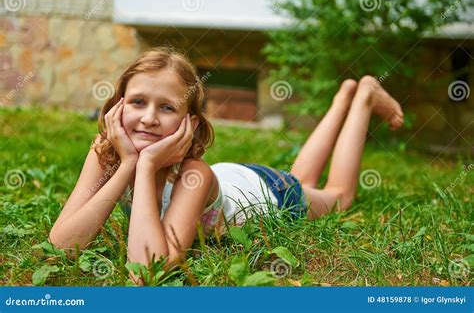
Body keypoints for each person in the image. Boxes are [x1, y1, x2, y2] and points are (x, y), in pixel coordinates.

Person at [48, 47, 404, 283]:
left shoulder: (193, 174)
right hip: (235, 178)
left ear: (192, 123)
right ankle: (343, 97)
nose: (149, 118)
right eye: (138, 101)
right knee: (303, 176)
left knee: (337, 196)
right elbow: (63, 243)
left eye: (168, 107)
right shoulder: (106, 152)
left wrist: (143, 167)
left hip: (271, 195)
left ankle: (365, 96)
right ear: (117, 106)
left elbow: (148, 270)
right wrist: (128, 164)